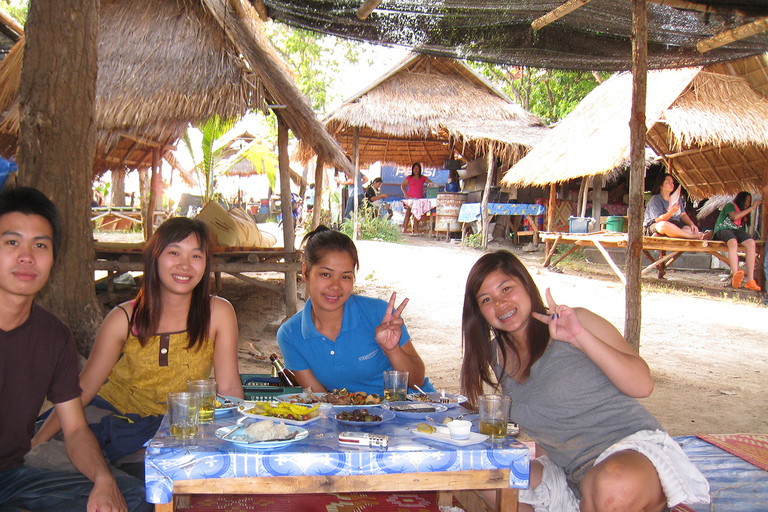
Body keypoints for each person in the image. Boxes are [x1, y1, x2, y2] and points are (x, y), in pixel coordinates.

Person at [460, 250, 710, 512]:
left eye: (507, 288)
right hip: (568, 473)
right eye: (487, 299)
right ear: (479, 312)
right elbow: (550, 419)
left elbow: (643, 384)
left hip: (630, 454)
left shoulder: (577, 321)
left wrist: (579, 337)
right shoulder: (495, 356)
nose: (500, 303)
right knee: (477, 473)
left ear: (526, 284)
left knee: (609, 485)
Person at [33, 217, 244, 472]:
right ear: (154, 257)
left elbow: (229, 386)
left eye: (196, 256)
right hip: (112, 416)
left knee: (163, 470)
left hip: (175, 424)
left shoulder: (218, 312)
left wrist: (238, 439)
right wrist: (37, 441)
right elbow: (85, 387)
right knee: (63, 460)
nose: (185, 265)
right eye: (174, 252)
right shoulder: (124, 318)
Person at [0, 186, 150, 512]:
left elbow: (76, 428)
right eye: (12, 242)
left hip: (11, 476)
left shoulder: (54, 336)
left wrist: (103, 480)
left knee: (134, 498)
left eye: (40, 245)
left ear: (53, 257)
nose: (26, 256)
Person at [277, 226, 433, 394]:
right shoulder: (290, 334)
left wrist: (392, 350)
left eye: (345, 277)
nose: (335, 286)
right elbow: (320, 400)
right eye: (325, 274)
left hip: (411, 410)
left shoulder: (378, 314)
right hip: (353, 417)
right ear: (306, 272)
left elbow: (417, 381)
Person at [713, 191, 762, 290]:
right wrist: (752, 208)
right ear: (740, 199)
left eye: (749, 201)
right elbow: (735, 216)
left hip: (735, 231)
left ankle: (750, 279)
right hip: (723, 229)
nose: (747, 203)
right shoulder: (730, 205)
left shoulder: (744, 212)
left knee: (751, 243)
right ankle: (736, 274)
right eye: (746, 200)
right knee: (733, 242)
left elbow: (741, 229)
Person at [643, 173, 709, 239]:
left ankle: (668, 236)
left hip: (674, 225)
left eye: (672, 182)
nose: (671, 184)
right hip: (655, 225)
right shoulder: (656, 199)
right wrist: (671, 212)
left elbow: (683, 215)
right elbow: (658, 220)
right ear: (661, 185)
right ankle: (691, 236)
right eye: (668, 182)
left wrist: (692, 224)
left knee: (689, 229)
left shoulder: (677, 198)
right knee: (664, 225)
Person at [400, 162, 432, 233]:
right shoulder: (409, 177)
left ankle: (415, 230)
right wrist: (405, 193)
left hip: (419, 199)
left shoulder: (423, 178)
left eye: (417, 168)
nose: (416, 170)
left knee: (417, 214)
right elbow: (403, 185)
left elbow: (431, 184)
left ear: (420, 169)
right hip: (410, 198)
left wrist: (426, 189)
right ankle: (404, 229)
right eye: (414, 168)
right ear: (412, 169)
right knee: (408, 213)